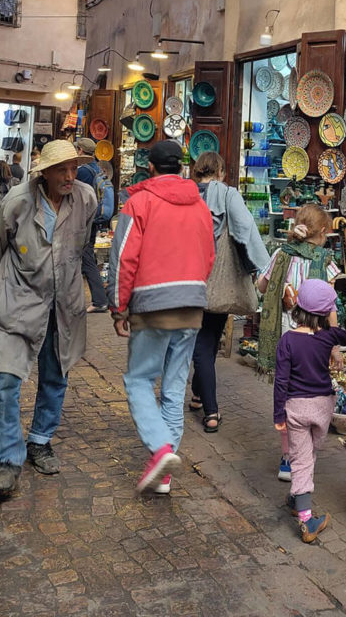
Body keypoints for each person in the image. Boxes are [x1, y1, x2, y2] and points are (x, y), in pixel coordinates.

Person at [0, 140, 97, 497]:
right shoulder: (18, 201)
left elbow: (82, 244)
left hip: (63, 302)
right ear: (44, 172)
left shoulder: (86, 199)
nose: (69, 176)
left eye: (73, 168)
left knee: (56, 374)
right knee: (6, 380)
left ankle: (40, 441)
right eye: (61, 169)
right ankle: (8, 459)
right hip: (18, 300)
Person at [107, 140, 214, 495]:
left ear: (150, 168)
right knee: (173, 386)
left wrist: (119, 306)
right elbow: (209, 254)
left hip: (153, 303)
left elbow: (123, 258)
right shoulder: (199, 204)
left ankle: (161, 449)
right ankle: (164, 473)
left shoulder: (139, 202)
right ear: (181, 168)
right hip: (191, 302)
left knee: (139, 380)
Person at [257, 203, 343, 481]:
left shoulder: (282, 253)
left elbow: (261, 286)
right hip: (315, 342)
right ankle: (305, 454)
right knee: (312, 395)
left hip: (286, 336)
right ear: (322, 231)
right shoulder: (325, 260)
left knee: (287, 396)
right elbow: (331, 306)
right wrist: (336, 344)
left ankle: (287, 459)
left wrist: (281, 289)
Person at [274, 279, 346, 543]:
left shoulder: (287, 341)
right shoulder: (330, 336)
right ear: (326, 313)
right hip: (323, 408)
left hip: (296, 408)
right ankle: (296, 497)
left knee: (300, 459)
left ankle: (306, 521)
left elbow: (281, 382)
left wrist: (279, 415)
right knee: (308, 455)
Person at [191, 151, 270, 432]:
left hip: (185, 275)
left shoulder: (184, 193)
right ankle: (211, 412)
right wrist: (255, 265)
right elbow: (245, 229)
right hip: (217, 277)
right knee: (207, 339)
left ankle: (199, 395)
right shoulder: (227, 195)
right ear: (222, 171)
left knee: (202, 340)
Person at [74, 137, 107, 313]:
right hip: (94, 219)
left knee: (87, 259)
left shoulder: (83, 172)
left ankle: (100, 300)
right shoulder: (97, 168)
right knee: (86, 258)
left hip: (84, 220)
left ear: (80, 150)